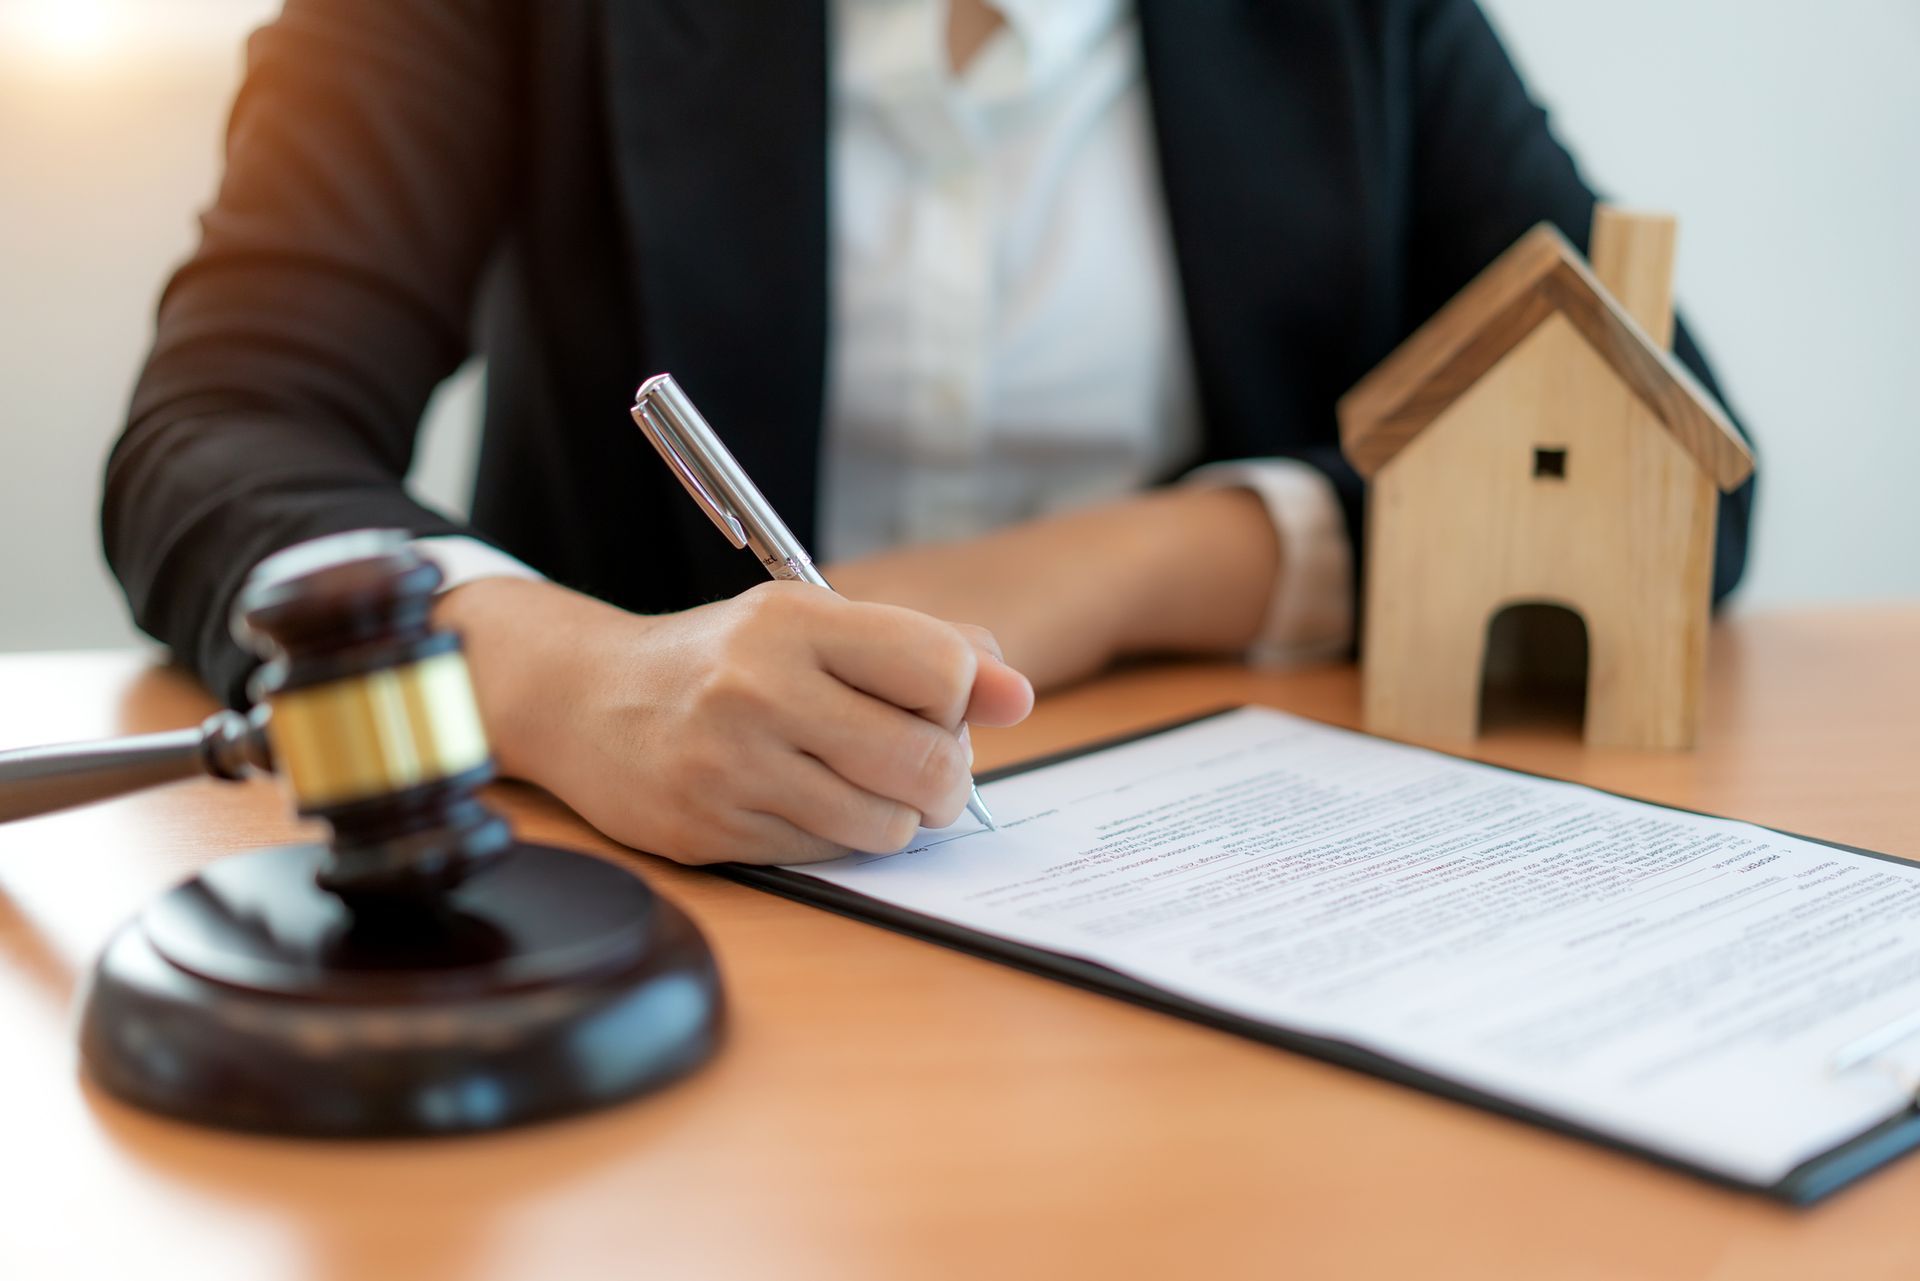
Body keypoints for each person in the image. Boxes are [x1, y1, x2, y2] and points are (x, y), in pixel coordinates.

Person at [101, 0, 1754, 866]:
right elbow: (220, 426)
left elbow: (1664, 455)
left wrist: (1119, 570)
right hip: (661, 903)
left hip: (1205, 883)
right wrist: (572, 677)